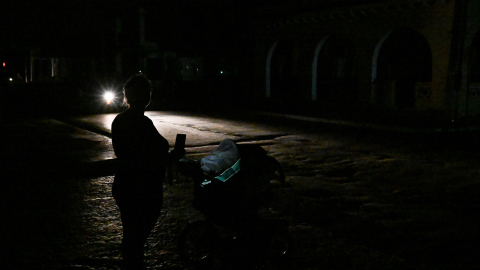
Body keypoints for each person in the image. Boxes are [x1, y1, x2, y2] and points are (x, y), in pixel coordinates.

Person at [111, 75, 182, 269]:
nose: (146, 95)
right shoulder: (138, 122)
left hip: (129, 183)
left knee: (133, 234)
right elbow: (140, 154)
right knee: (136, 234)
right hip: (139, 185)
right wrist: (167, 157)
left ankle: (132, 262)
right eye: (143, 92)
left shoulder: (128, 120)